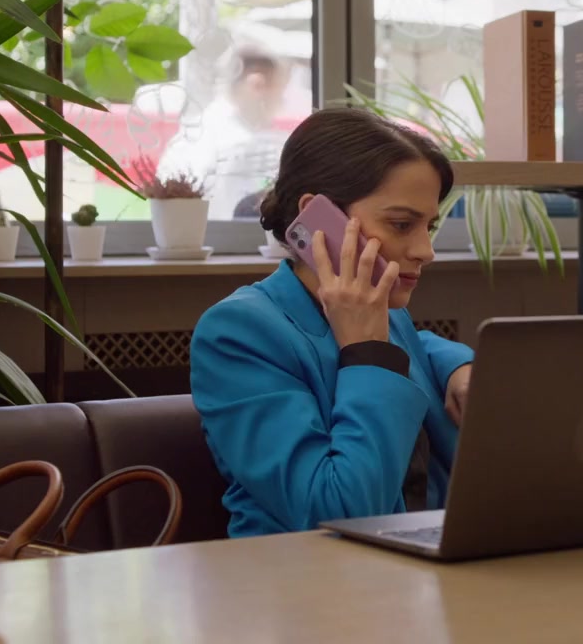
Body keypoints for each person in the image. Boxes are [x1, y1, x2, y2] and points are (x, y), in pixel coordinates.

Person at [189, 108, 474, 538]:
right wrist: (368, 355)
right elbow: (339, 511)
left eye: (428, 226)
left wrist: (458, 365)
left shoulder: (383, 314)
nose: (425, 250)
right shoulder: (236, 332)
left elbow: (419, 345)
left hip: (421, 563)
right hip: (308, 573)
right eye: (401, 224)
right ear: (318, 218)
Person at [158, 45, 292, 221]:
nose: (281, 100)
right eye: (278, 89)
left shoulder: (204, 128)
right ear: (256, 84)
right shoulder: (227, 139)